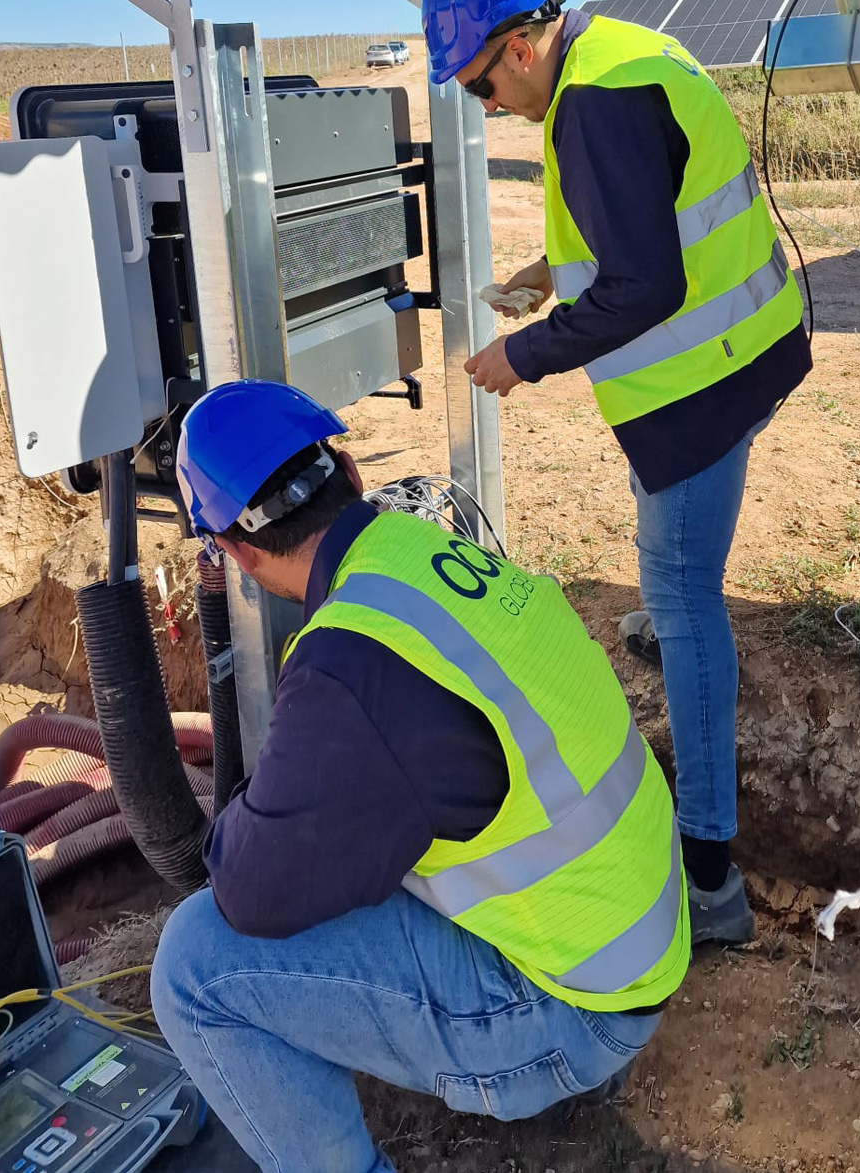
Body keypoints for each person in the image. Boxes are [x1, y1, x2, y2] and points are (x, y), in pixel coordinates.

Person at [152, 378, 689, 1173]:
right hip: (635, 934)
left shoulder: (347, 668)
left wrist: (245, 815)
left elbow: (249, 892)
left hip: (571, 1010)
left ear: (234, 552)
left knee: (193, 964)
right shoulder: (423, 554)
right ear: (352, 470)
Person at [422, 0, 813, 945]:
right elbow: (648, 220)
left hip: (703, 388)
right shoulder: (616, 52)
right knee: (673, 569)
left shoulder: (592, 103)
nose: (484, 107)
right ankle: (670, 621)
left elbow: (649, 287)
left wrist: (528, 354)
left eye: (473, 87)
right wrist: (556, 272)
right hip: (749, 349)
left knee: (685, 597)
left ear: (515, 48)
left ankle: (711, 877)